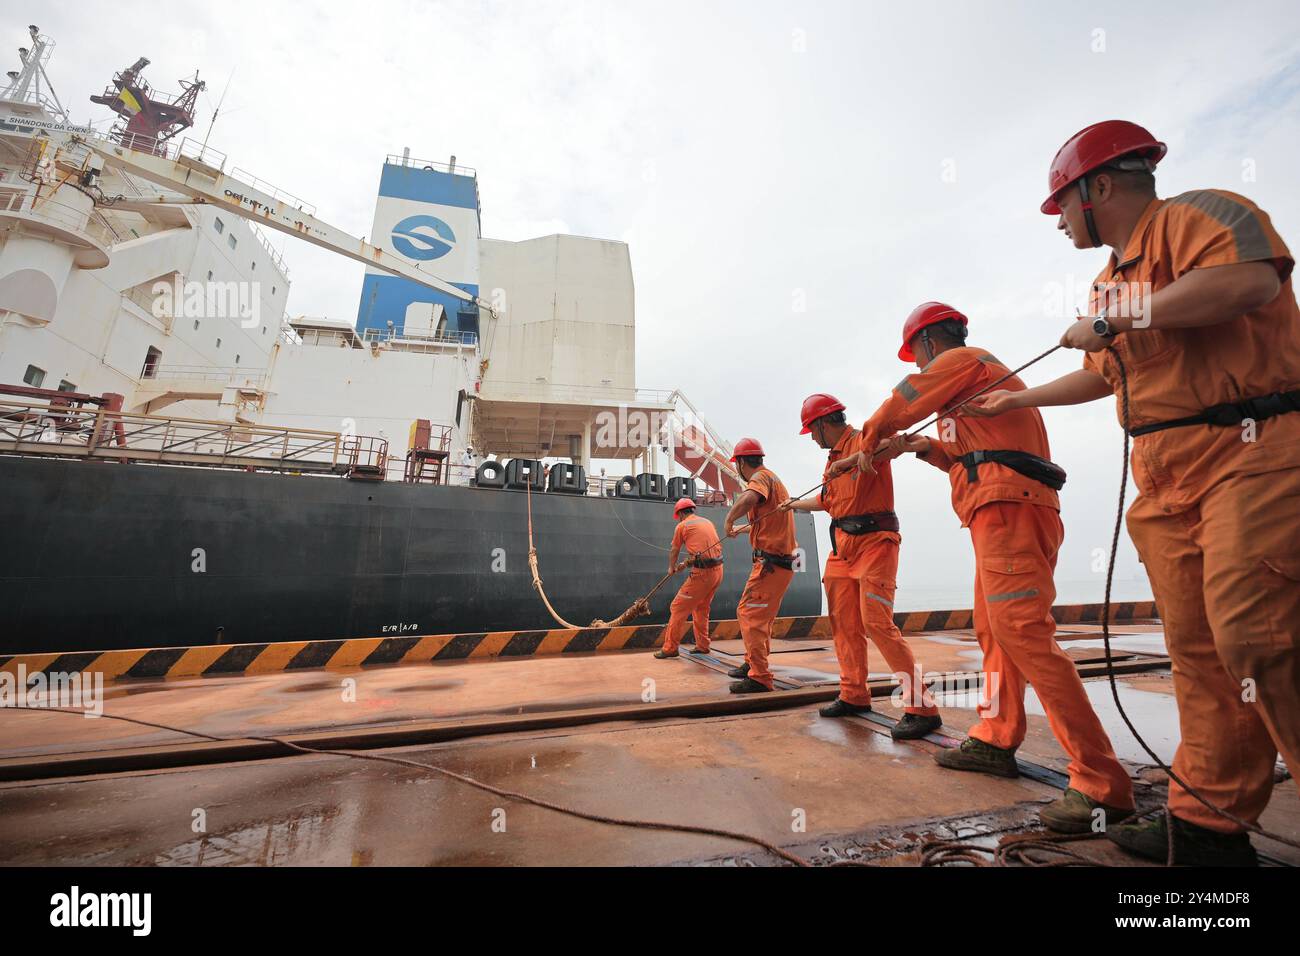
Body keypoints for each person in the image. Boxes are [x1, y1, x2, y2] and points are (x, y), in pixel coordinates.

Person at [965, 120, 1299, 864]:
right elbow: (1104, 372)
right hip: (1166, 477)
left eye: (1061, 207)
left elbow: (1248, 281)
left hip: (1251, 452)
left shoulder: (1201, 216)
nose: (1057, 223)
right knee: (1200, 653)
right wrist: (1015, 403)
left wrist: (1119, 316)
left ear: (1099, 188)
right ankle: (1209, 824)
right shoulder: (1109, 282)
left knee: (1262, 640)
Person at [834, 301, 1134, 834]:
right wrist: (923, 447)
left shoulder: (963, 360)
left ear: (927, 344)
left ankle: (1100, 783)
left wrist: (870, 442)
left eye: (919, 354)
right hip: (1001, 510)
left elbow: (900, 402)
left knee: (1022, 631)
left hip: (1010, 509)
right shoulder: (973, 392)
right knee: (995, 630)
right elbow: (962, 454)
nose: (921, 362)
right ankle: (996, 736)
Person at [781, 393, 942, 738]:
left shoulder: (864, 439)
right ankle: (854, 695)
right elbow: (827, 501)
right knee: (844, 623)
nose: (811, 438)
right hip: (842, 548)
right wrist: (794, 504)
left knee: (877, 623)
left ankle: (922, 708)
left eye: (812, 430)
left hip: (876, 543)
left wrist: (853, 460)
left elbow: (890, 445)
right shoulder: (830, 461)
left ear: (824, 424)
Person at [722, 438, 798, 694]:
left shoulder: (761, 479)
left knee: (750, 613)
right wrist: (743, 530)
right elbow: (768, 523)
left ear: (742, 463)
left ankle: (760, 677)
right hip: (783, 563)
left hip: (771, 564)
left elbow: (749, 498)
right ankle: (752, 663)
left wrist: (729, 519)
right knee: (761, 617)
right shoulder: (775, 481)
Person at [655, 497, 725, 658]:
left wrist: (672, 568)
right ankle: (702, 645)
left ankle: (670, 648)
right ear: (693, 510)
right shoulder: (707, 522)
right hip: (718, 571)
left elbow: (674, 550)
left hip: (702, 574)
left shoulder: (682, 526)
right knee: (701, 608)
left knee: (677, 607)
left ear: (680, 514)